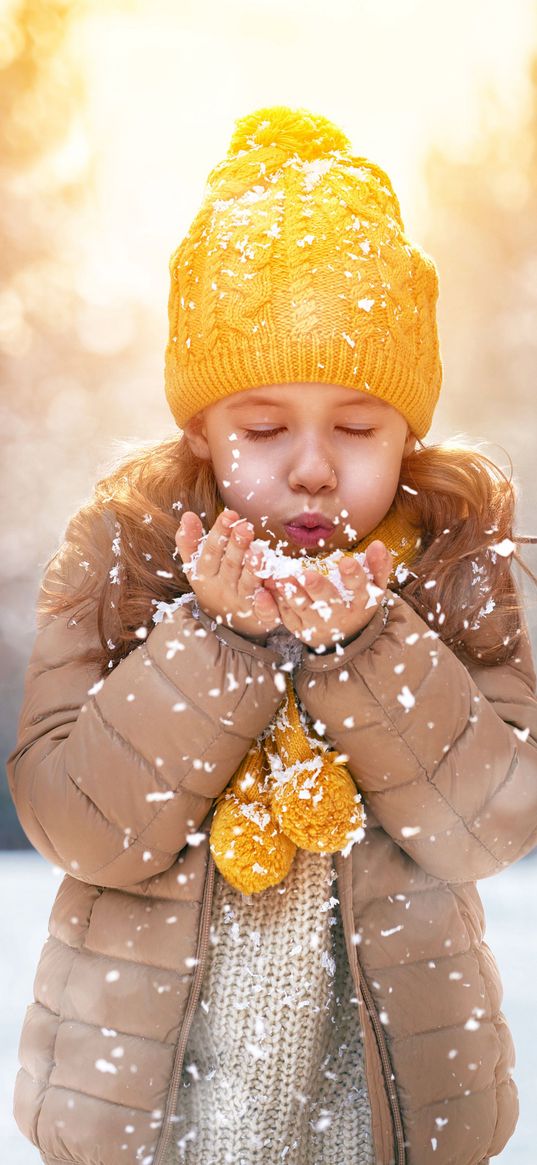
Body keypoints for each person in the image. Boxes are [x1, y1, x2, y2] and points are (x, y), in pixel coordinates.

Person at [7, 104, 537, 1165]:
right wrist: (220, 639)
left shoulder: (452, 566)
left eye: (355, 426)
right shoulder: (121, 555)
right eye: (262, 425)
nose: (309, 466)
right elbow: (79, 824)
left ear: (409, 431)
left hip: (382, 1110)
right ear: (199, 427)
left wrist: (366, 646)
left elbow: (491, 822)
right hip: (153, 1107)